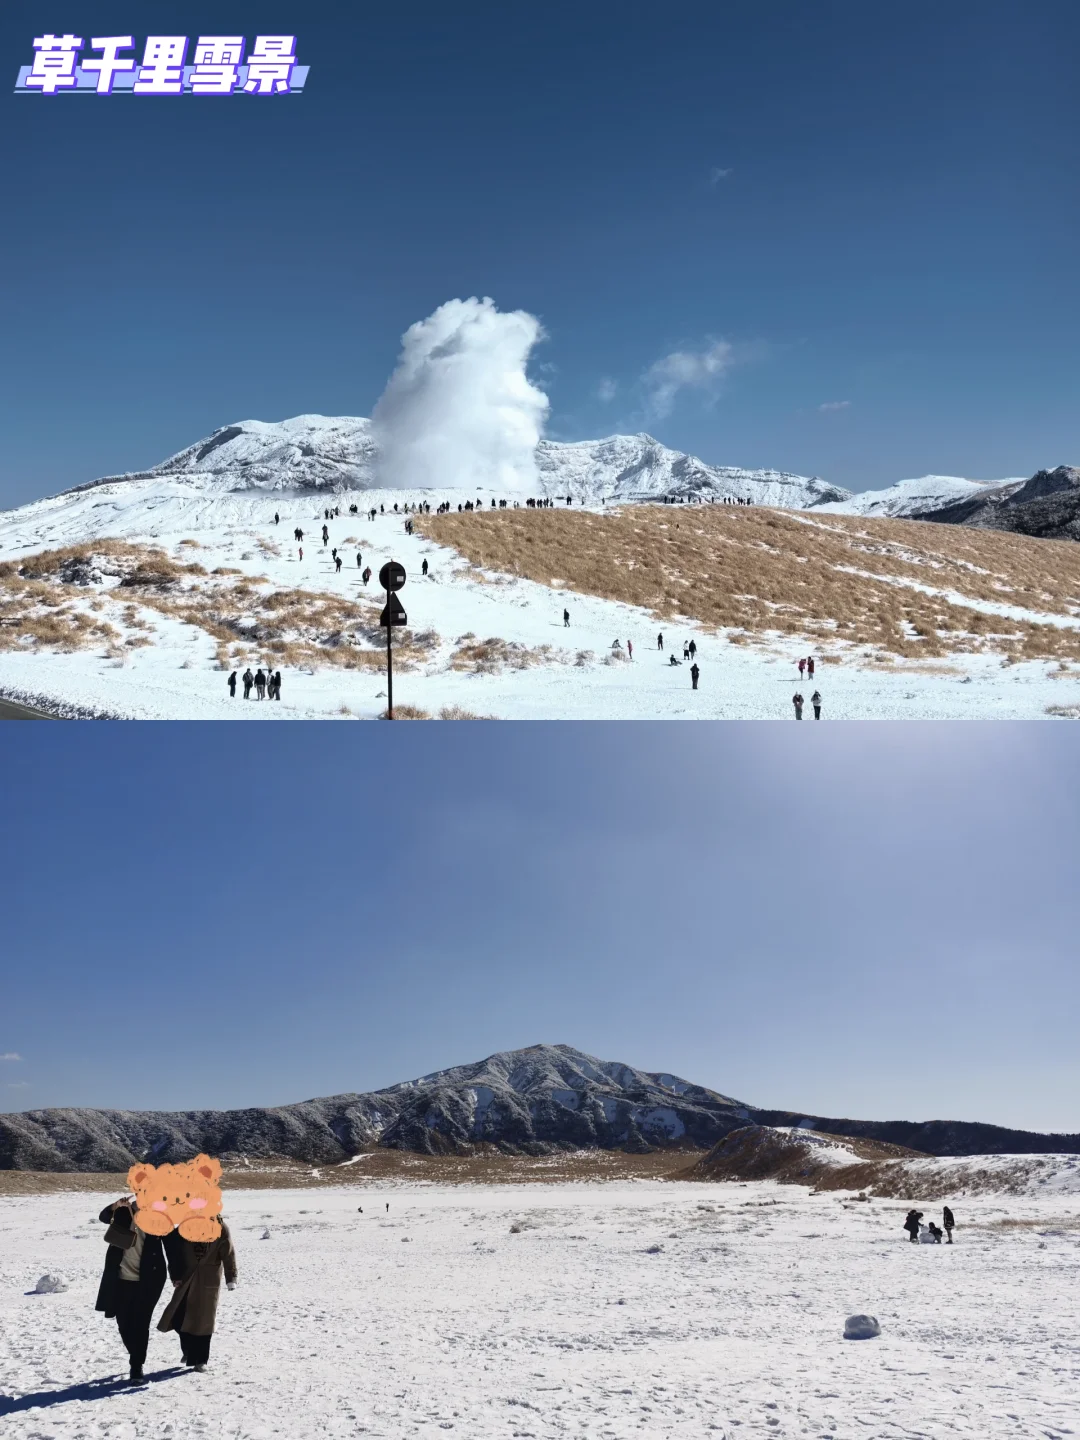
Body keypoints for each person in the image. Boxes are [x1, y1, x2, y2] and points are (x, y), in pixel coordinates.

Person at [96, 1194, 170, 1382]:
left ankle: (136, 1366)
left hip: (149, 1280)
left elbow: (171, 1245)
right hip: (121, 1278)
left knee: (141, 1324)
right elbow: (104, 1217)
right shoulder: (123, 1211)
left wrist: (178, 1274)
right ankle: (135, 1354)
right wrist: (115, 1205)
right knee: (123, 1323)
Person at [158, 1217, 238, 1372]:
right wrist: (175, 1274)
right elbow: (175, 1252)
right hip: (186, 1278)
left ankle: (200, 1360)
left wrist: (231, 1277)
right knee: (179, 1317)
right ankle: (188, 1350)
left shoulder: (220, 1227)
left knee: (204, 1321)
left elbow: (228, 1253)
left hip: (208, 1279)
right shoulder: (186, 1224)